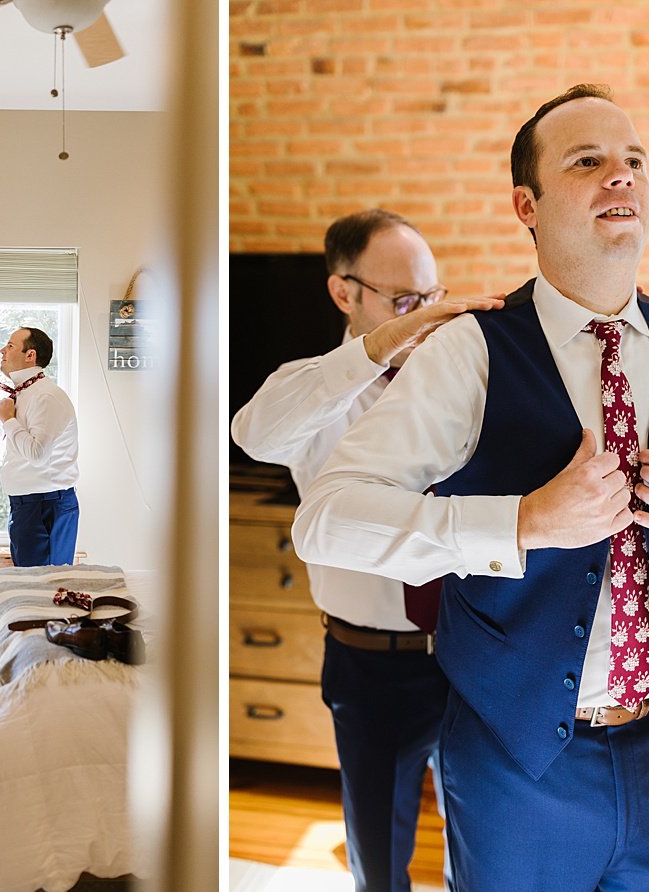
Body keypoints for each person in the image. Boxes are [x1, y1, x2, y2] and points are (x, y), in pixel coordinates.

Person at [292, 84, 649, 891]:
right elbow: (324, 521)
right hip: (514, 767)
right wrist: (522, 522)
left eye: (634, 161)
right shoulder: (466, 353)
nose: (622, 176)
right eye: (588, 161)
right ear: (526, 205)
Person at [232, 208, 505, 892]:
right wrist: (380, 346)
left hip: (478, 650)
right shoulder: (311, 392)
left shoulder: (459, 383)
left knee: (489, 848)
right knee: (379, 862)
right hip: (373, 664)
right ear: (344, 293)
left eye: (432, 297)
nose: (425, 318)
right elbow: (253, 435)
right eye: (405, 302)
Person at [0, 327, 80, 567]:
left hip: (46, 507)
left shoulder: (46, 397)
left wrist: (9, 419)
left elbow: (37, 454)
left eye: (10, 345)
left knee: (41, 588)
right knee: (30, 586)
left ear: (30, 355)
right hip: (27, 506)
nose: (2, 350)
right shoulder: (23, 394)